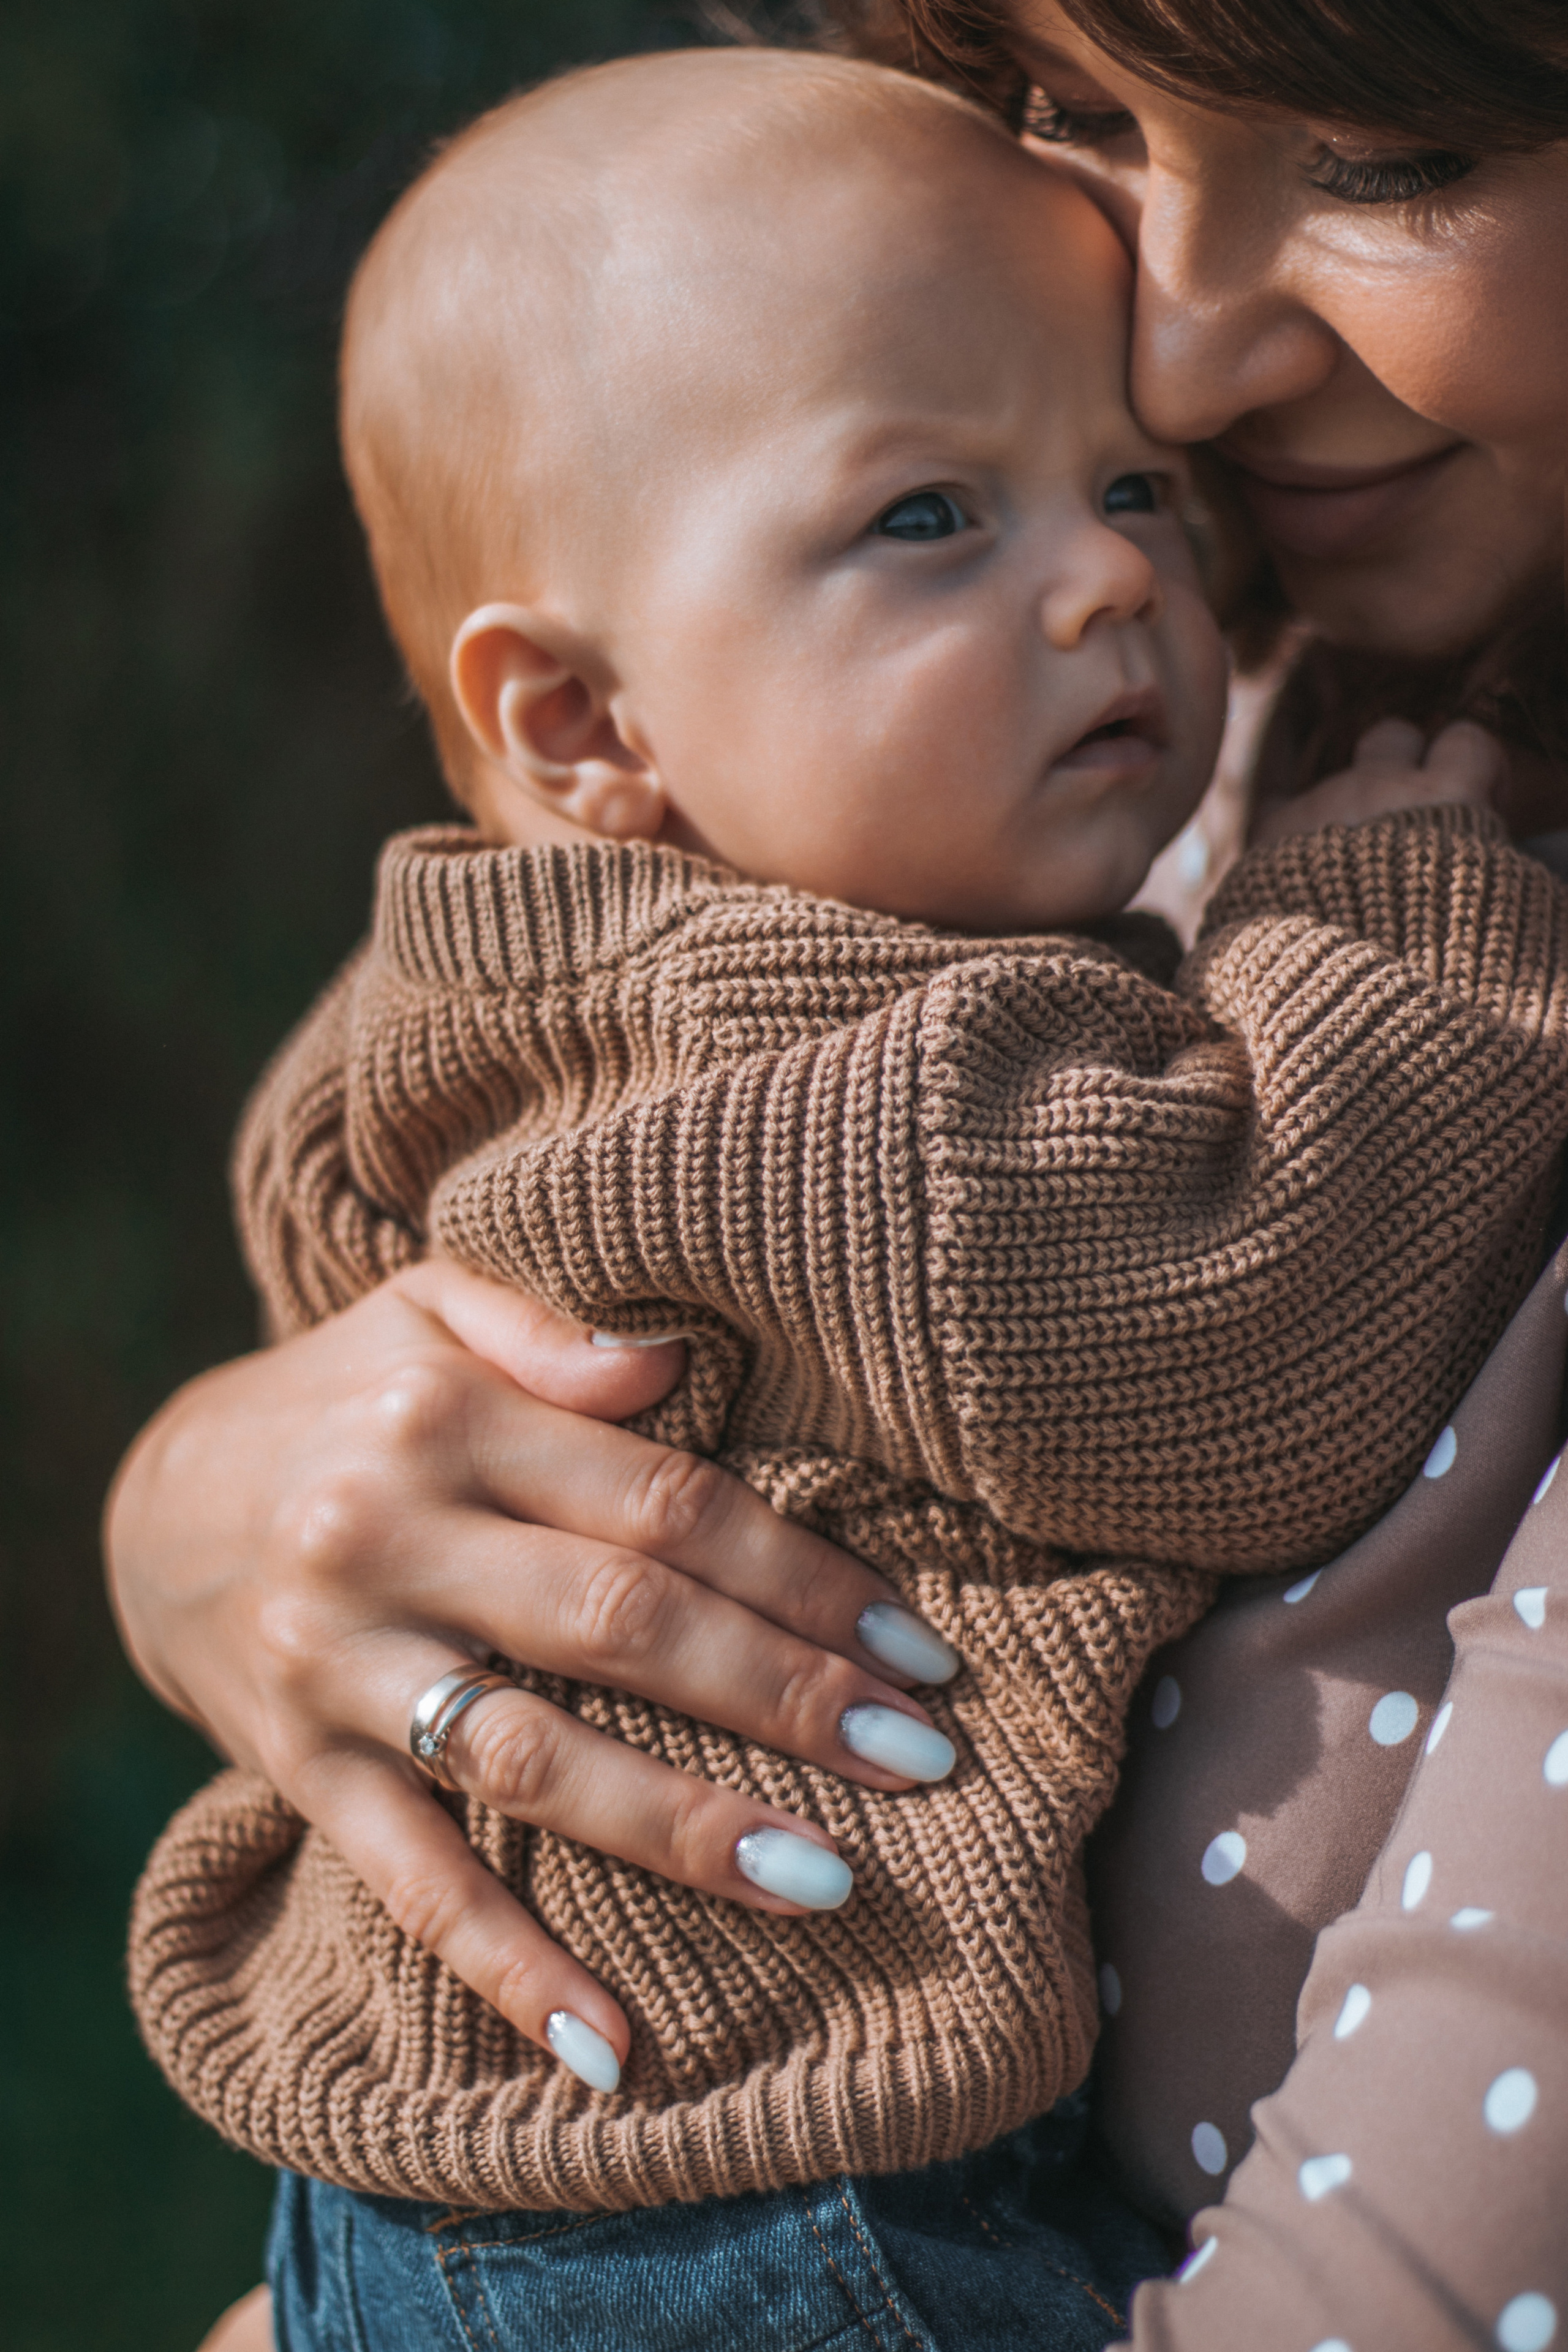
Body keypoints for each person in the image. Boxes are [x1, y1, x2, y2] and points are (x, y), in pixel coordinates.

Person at [106, 4, 1568, 2348]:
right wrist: (1388, 922)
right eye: (926, 519)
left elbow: (324, 1249)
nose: (1116, 568)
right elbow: (1246, 1329)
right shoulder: (859, 1093)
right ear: (587, 728)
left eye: (1130, 502)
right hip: (762, 2205)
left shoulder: (480, 1006)